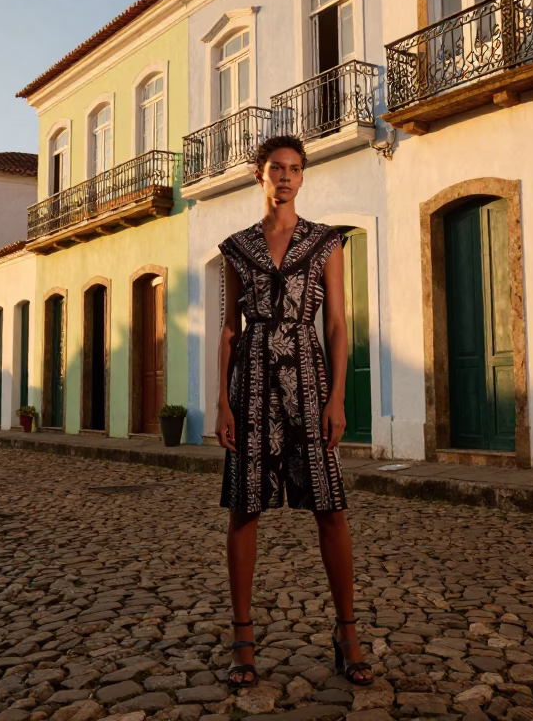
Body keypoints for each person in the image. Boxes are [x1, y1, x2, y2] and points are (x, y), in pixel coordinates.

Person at [214, 134, 374, 689]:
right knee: (244, 508)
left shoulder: (326, 242)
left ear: (303, 178)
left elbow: (335, 324)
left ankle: (347, 632)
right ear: (259, 175)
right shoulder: (236, 248)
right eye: (276, 168)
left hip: (308, 380)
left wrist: (337, 396)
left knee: (330, 507)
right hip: (252, 384)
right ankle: (242, 637)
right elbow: (230, 330)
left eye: (295, 169)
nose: (286, 177)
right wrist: (221, 403)